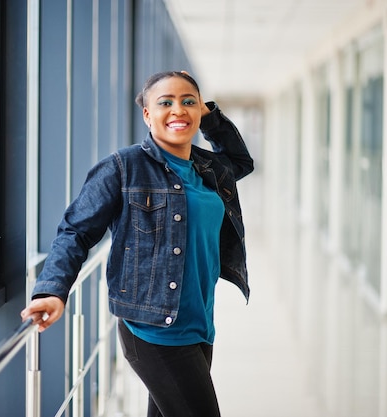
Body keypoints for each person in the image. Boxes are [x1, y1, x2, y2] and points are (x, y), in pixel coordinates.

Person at [21, 70, 254, 417]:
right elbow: (75, 231)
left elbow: (241, 161)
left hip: (200, 322)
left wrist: (208, 114)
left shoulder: (208, 167)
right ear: (147, 114)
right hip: (153, 330)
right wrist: (51, 290)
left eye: (188, 102)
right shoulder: (123, 167)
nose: (178, 110)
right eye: (165, 103)